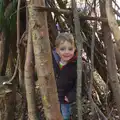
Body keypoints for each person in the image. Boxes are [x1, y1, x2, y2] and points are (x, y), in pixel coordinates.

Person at [52, 32, 77, 120]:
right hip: (53, 97)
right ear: (57, 51)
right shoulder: (54, 63)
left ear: (74, 49)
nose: (67, 52)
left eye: (70, 49)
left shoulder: (76, 66)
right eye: (62, 49)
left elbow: (79, 85)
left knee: (65, 115)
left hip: (65, 99)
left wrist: (70, 96)